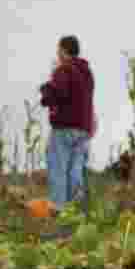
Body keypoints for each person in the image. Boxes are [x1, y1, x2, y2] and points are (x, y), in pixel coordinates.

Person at [39, 35, 95, 209]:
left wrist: (46, 89)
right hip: (83, 129)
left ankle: (58, 210)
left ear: (63, 50)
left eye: (58, 50)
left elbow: (57, 95)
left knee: (58, 168)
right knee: (75, 170)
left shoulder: (63, 70)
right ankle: (76, 211)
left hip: (64, 128)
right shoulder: (87, 73)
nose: (57, 53)